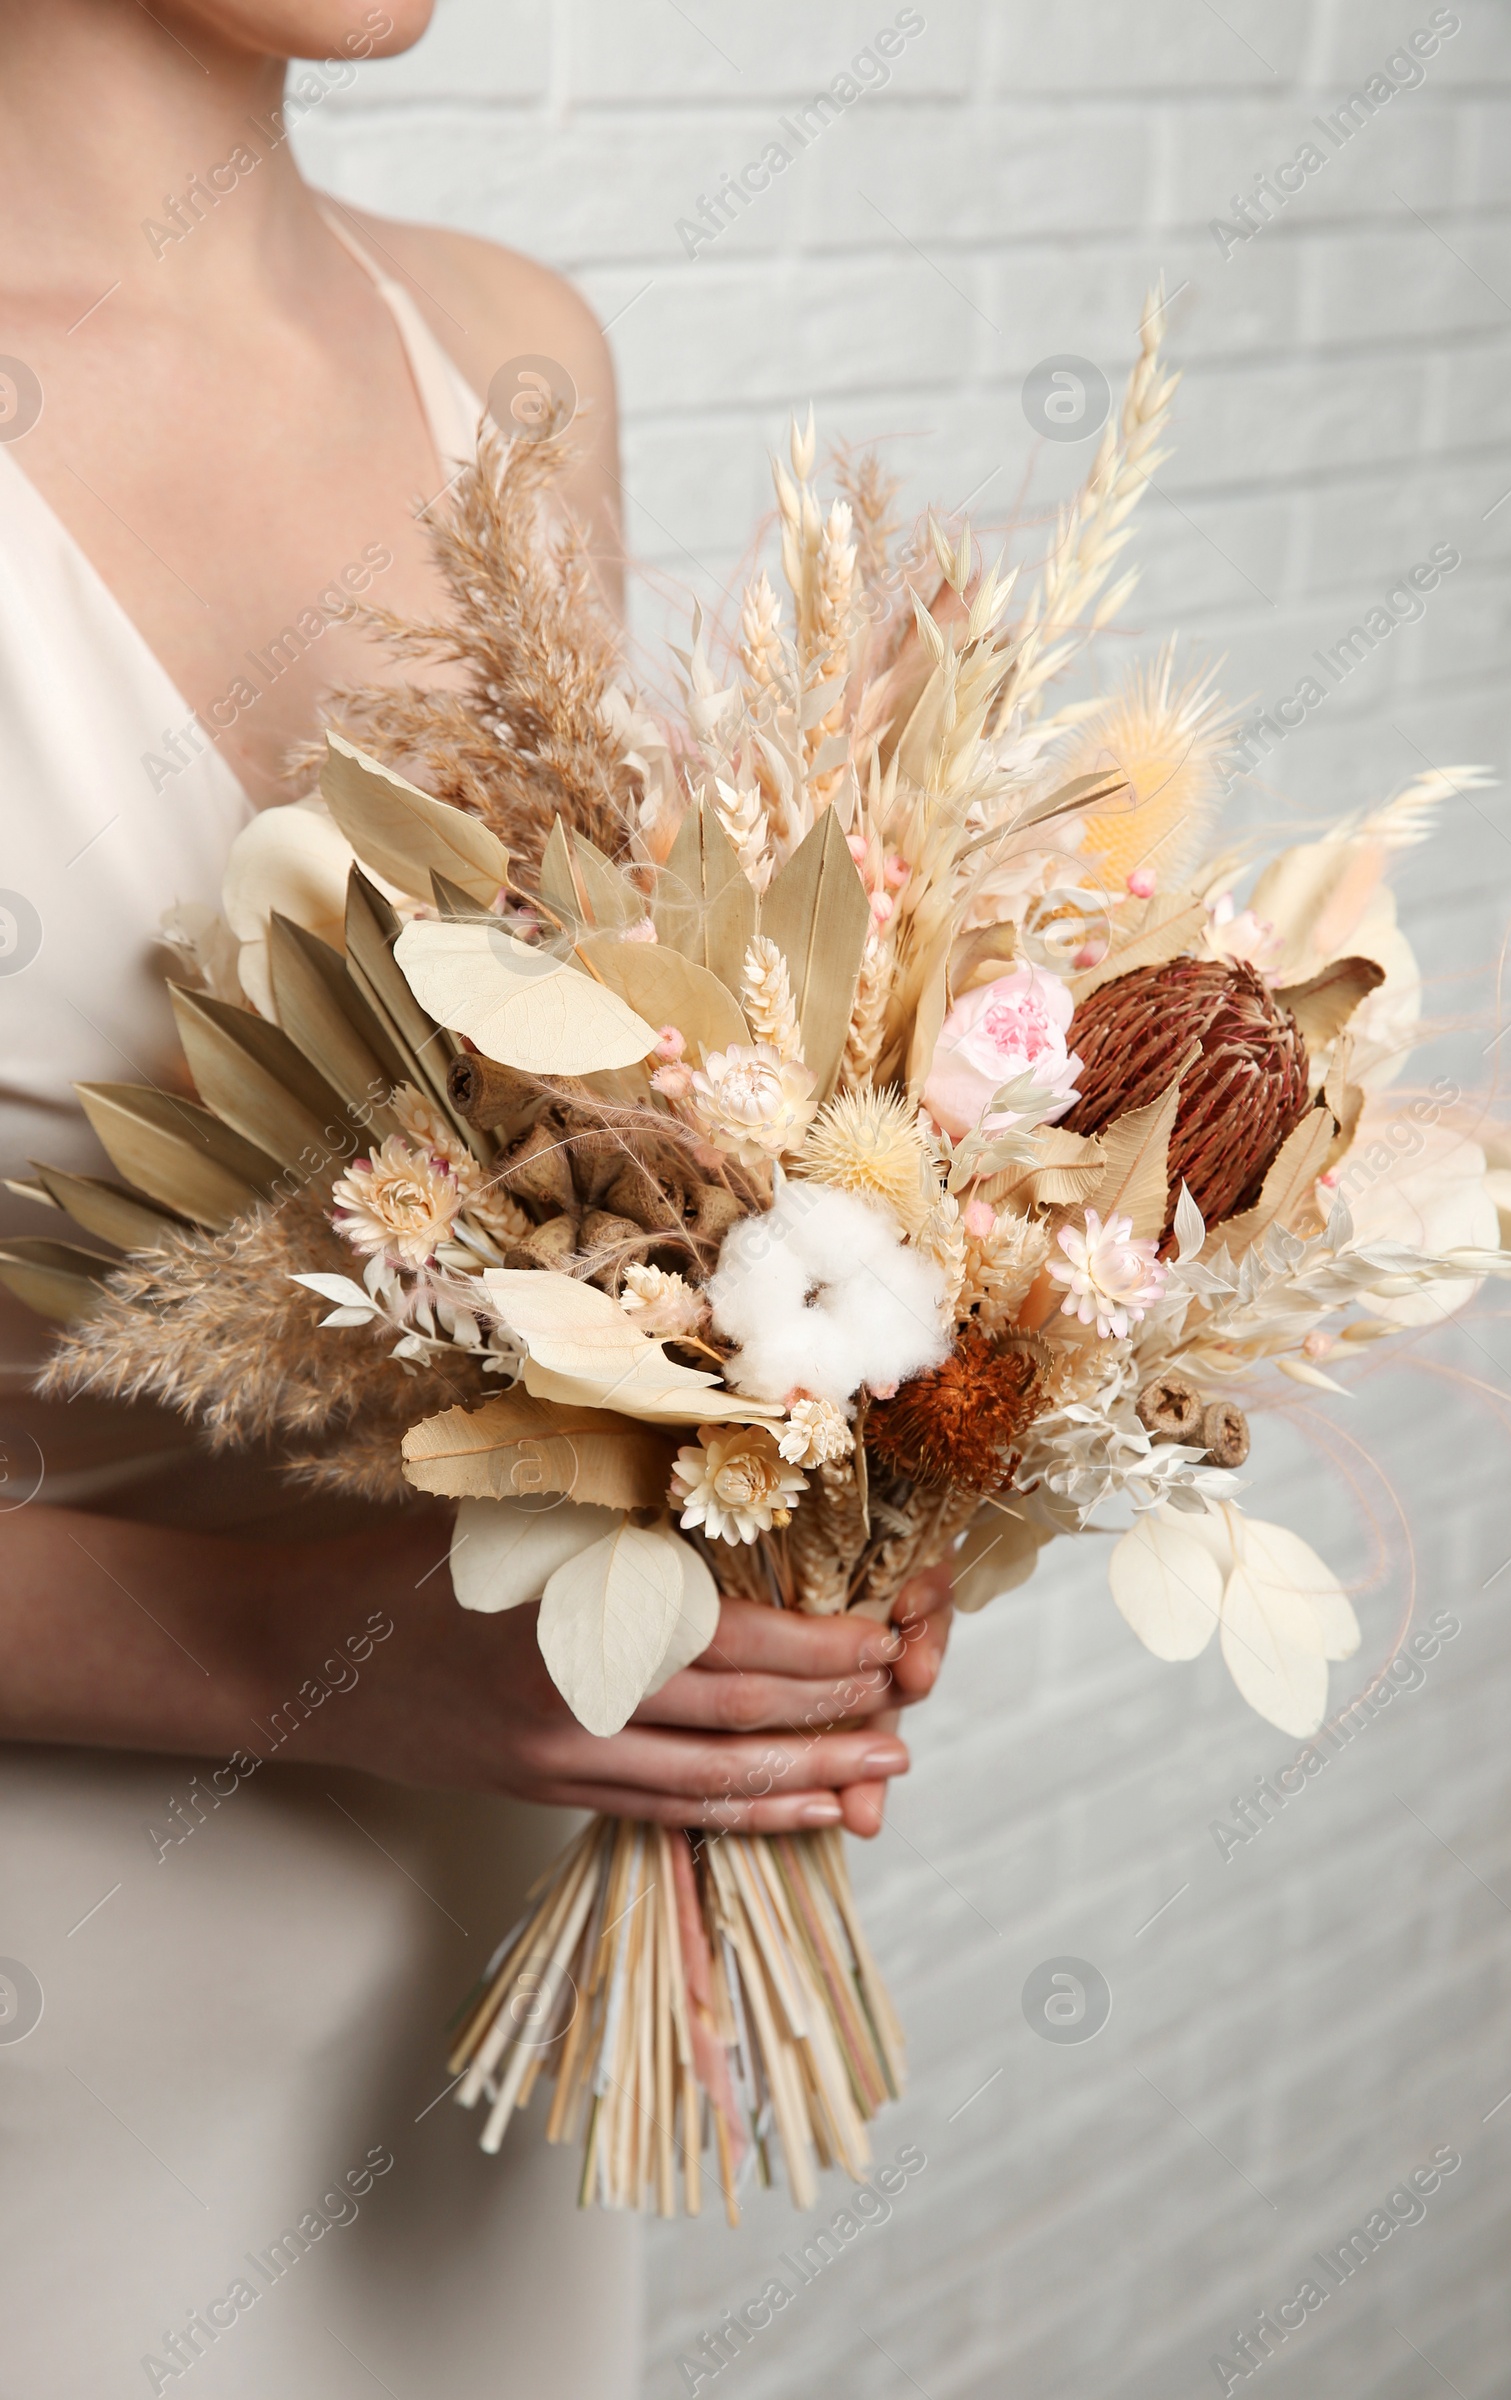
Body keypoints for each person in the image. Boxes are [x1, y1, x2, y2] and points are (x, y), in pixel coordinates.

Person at [0, 4, 953, 2392]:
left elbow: (612, 1144)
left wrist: (811, 1489)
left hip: (471, 2007)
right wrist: (302, 1657)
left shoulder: (511, 349)